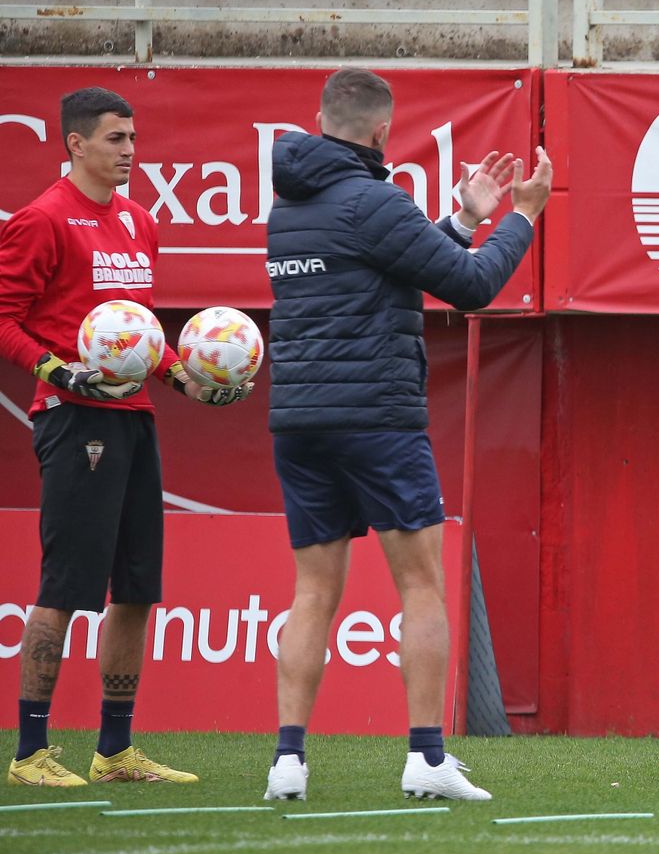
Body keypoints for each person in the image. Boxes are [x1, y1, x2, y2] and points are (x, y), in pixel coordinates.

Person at [262, 68, 552, 802]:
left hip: (299, 418)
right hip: (376, 416)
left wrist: (461, 219)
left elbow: (389, 269)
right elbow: (474, 286)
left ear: (319, 119)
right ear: (384, 133)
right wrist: (520, 216)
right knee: (421, 584)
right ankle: (426, 759)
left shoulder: (287, 208)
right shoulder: (376, 200)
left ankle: (287, 761)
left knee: (312, 591)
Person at [0, 87, 252, 788]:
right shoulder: (42, 219)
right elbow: (4, 316)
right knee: (64, 587)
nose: (130, 152)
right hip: (73, 419)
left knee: (136, 589)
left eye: (134, 139)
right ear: (76, 144)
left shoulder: (141, 222)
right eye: (115, 140)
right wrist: (53, 369)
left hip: (135, 419)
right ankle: (29, 755)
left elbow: (141, 336)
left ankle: (114, 751)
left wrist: (188, 381)